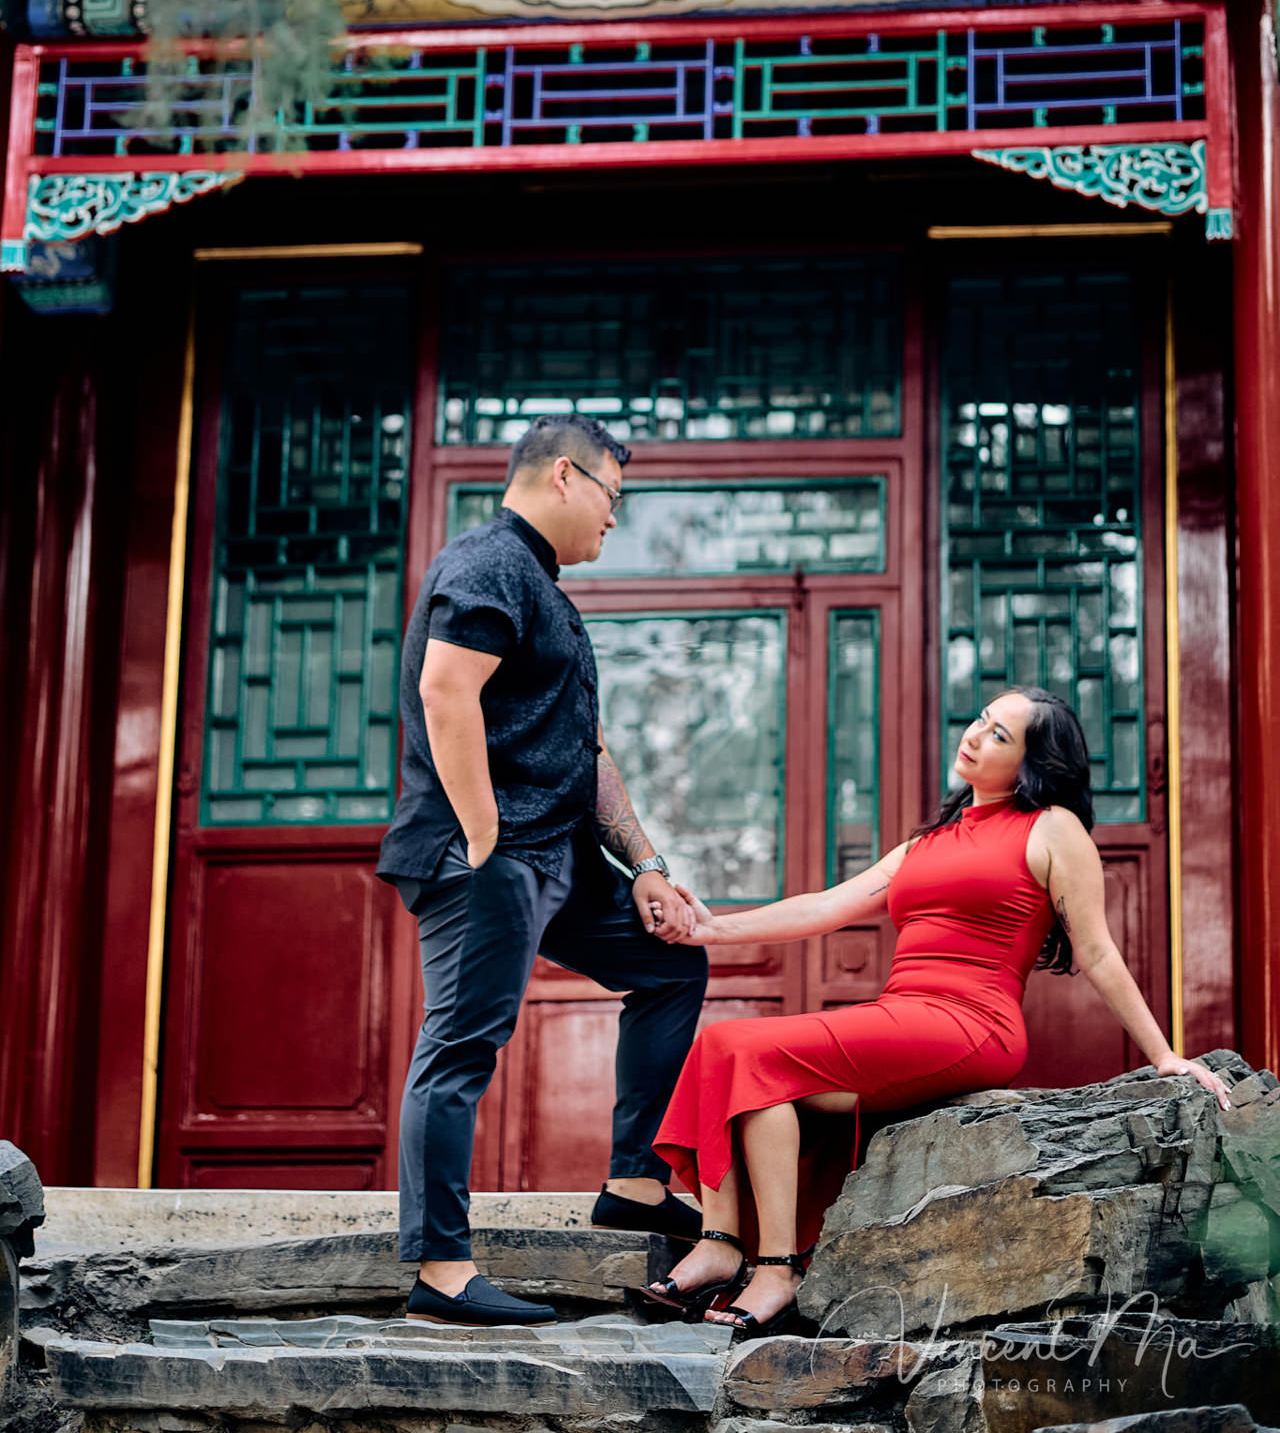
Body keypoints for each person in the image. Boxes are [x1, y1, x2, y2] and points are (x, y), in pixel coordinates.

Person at [638, 687, 1231, 1342]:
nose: (975, 735)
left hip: (972, 1023)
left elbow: (1096, 951)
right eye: (981, 720)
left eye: (1000, 735)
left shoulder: (1052, 829)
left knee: (735, 1045)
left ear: (1034, 764)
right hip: (904, 1014)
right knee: (755, 1079)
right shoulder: (931, 840)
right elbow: (823, 906)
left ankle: (774, 1269)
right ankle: (726, 1243)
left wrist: (1164, 1055)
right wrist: (711, 931)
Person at [377, 413, 708, 1328]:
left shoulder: (543, 588)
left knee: (672, 960)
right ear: (565, 476)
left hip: (556, 852)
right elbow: (446, 692)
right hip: (487, 855)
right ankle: (441, 1273)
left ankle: (634, 1183)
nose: (615, 519)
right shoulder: (488, 563)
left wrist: (644, 864)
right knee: (460, 1046)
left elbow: (589, 751)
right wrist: (483, 844)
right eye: (613, 496)